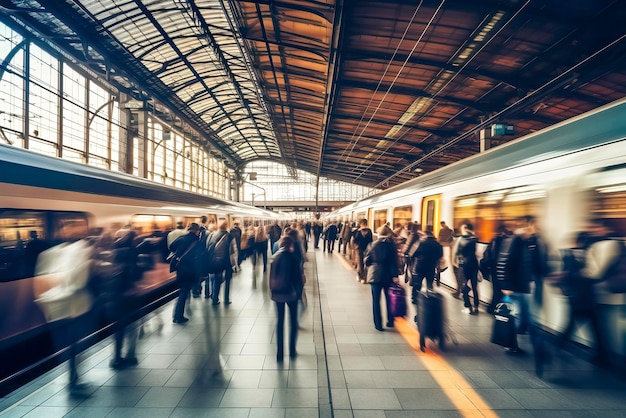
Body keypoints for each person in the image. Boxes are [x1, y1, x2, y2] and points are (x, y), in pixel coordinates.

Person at [556, 218, 621, 363]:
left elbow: (594, 272)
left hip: (589, 296)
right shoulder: (593, 246)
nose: (593, 230)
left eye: (595, 227)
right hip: (588, 296)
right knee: (593, 327)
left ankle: (560, 345)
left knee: (585, 325)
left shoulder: (604, 245)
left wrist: (574, 277)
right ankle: (601, 355)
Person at [270, 235, 304, 361]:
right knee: (293, 322)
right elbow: (297, 279)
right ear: (291, 245)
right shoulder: (292, 258)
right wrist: (299, 293)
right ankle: (292, 351)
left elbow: (271, 277)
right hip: (291, 294)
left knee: (279, 322)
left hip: (277, 294)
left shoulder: (275, 257)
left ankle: (279, 353)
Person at [365, 225, 399, 331]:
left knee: (376, 301)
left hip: (374, 275)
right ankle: (390, 321)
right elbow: (394, 262)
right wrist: (395, 276)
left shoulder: (372, 245)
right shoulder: (391, 245)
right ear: (388, 234)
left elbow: (367, 260)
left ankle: (378, 325)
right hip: (388, 275)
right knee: (389, 299)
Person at [169, 223, 204, 323]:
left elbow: (171, 246)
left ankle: (178, 315)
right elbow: (200, 257)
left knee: (183, 290)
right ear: (197, 230)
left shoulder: (181, 238)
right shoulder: (198, 242)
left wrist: (178, 252)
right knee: (184, 291)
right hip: (191, 269)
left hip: (180, 268)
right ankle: (178, 316)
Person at [206, 220, 238, 305]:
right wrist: (235, 265)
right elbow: (233, 251)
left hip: (213, 261)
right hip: (226, 262)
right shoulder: (230, 236)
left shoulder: (212, 234)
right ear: (226, 226)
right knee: (227, 281)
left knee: (215, 279)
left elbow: (207, 247)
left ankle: (214, 297)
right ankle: (226, 299)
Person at [481, 224, 510, 314]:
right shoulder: (503, 241)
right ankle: (496, 308)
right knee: (499, 291)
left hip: (493, 269)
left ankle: (492, 308)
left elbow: (488, 255)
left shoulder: (494, 240)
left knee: (495, 290)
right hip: (500, 270)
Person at [452, 222, 480, 314]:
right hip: (474, 264)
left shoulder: (460, 239)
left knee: (464, 286)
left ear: (464, 229)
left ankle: (468, 307)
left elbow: (456, 252)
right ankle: (476, 307)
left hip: (463, 264)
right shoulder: (475, 239)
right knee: (475, 286)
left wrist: (454, 263)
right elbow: (477, 253)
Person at [412, 229, 443, 294]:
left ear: (425, 235)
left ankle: (414, 297)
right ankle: (429, 296)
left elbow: (416, 253)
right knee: (429, 283)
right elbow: (440, 255)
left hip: (421, 265)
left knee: (418, 283)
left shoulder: (422, 242)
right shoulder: (437, 244)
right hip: (431, 266)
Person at [353, 219, 374, 284]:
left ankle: (361, 277)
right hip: (367, 249)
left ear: (361, 223)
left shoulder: (358, 231)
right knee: (367, 263)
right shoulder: (369, 231)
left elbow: (355, 240)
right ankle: (365, 277)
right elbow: (371, 241)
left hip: (360, 249)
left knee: (360, 263)